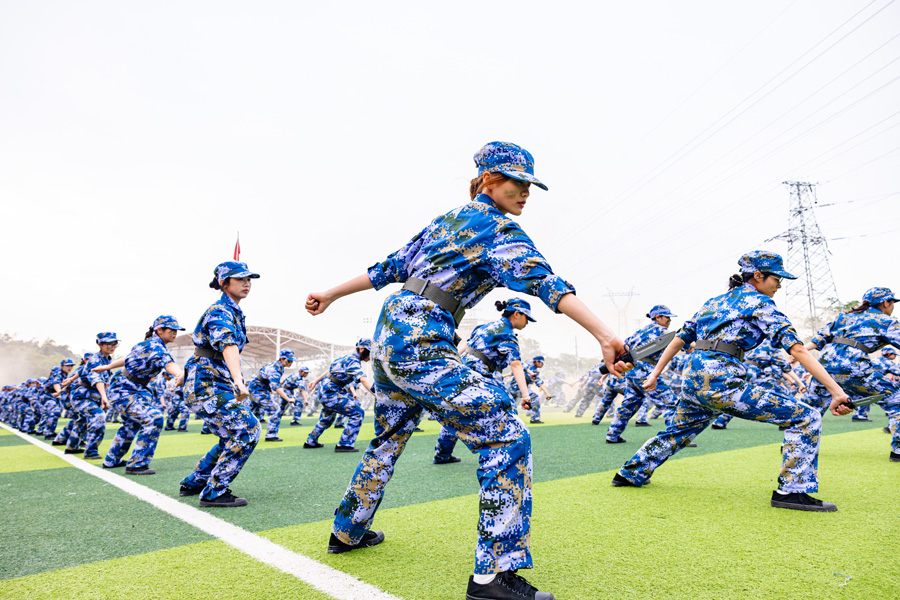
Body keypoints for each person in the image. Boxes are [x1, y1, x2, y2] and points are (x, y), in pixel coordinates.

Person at [305, 141, 627, 600]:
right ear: (489, 179)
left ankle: (347, 530)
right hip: (422, 337)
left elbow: (388, 269)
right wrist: (604, 334)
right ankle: (493, 577)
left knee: (388, 437)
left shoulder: (447, 220)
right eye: (518, 183)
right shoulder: (497, 227)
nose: (526, 193)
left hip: (389, 333)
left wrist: (331, 294)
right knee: (506, 435)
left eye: (530, 186)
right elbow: (547, 284)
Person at [614, 251, 853, 512]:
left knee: (678, 431)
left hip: (693, 381)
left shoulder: (714, 302)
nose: (780, 285)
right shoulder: (760, 303)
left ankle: (631, 472)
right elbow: (797, 350)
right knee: (806, 417)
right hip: (722, 383)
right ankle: (792, 492)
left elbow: (679, 338)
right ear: (758, 276)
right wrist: (836, 392)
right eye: (777, 279)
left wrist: (655, 373)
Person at [179, 261, 261, 507]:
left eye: (249, 279)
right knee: (248, 429)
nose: (247, 283)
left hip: (214, 380)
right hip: (207, 384)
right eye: (241, 279)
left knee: (232, 434)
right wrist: (238, 380)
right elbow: (227, 345)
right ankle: (214, 492)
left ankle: (195, 482)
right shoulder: (220, 311)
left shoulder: (232, 311)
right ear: (224, 283)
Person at [802, 287, 900, 461]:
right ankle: (898, 451)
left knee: (811, 407)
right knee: (896, 401)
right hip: (853, 366)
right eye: (892, 303)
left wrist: (798, 353)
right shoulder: (886, 321)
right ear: (886, 303)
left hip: (824, 366)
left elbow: (821, 337)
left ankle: (796, 447)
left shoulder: (844, 317)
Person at [434, 298, 536, 464]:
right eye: (527, 317)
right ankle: (510, 454)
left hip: (463, 370)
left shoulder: (484, 327)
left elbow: (466, 347)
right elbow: (515, 365)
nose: (527, 322)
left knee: (456, 411)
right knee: (508, 408)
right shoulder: (506, 334)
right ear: (517, 314)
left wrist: (453, 365)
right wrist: (526, 396)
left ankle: (442, 455)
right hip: (484, 374)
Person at [94, 316, 185, 474]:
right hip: (124, 390)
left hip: (128, 388)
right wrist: (179, 375)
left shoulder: (146, 344)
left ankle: (112, 460)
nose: (175, 333)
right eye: (171, 330)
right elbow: (169, 364)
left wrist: (107, 366)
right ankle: (137, 464)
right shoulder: (155, 347)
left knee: (131, 424)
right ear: (159, 330)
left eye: (176, 330)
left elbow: (127, 359)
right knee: (154, 418)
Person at [606, 305, 677, 444]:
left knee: (628, 405)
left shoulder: (638, 332)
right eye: (667, 317)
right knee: (669, 402)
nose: (670, 320)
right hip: (647, 371)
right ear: (658, 317)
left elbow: (625, 346)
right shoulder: (663, 331)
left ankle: (612, 435)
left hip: (632, 371)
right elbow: (684, 344)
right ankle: (678, 437)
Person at [303, 339, 373, 452]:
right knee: (358, 413)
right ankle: (344, 444)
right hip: (331, 392)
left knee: (327, 418)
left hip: (326, 390)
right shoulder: (353, 361)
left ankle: (310, 441)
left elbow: (329, 371)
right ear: (361, 349)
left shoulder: (346, 357)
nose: (371, 355)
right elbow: (363, 379)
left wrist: (316, 381)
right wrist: (376, 394)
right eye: (370, 352)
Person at [66, 333, 119, 460]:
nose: (112, 347)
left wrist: (70, 379)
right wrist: (104, 395)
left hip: (93, 396)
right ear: (100, 344)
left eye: (115, 344)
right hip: (82, 396)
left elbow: (81, 370)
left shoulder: (107, 359)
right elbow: (97, 378)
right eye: (109, 344)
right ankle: (91, 451)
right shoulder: (95, 360)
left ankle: (72, 447)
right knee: (98, 416)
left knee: (82, 420)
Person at [246, 349, 296, 442]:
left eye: (292, 361)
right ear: (282, 358)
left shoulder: (278, 366)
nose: (291, 363)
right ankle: (271, 435)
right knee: (275, 410)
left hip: (256, 389)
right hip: (258, 390)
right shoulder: (275, 369)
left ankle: (241, 434)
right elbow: (276, 387)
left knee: (250, 413)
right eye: (289, 360)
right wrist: (288, 399)